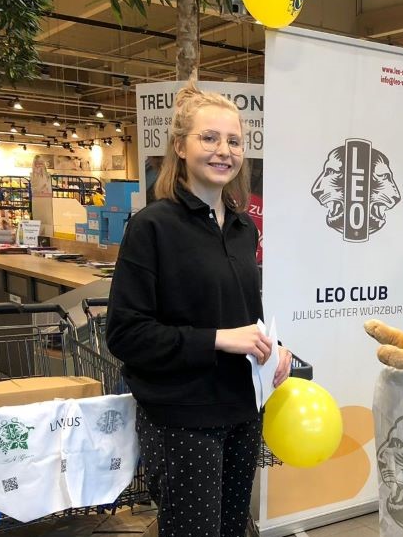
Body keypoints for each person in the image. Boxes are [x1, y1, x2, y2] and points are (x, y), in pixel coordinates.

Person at [106, 81, 293, 537]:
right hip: (183, 419)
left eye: (233, 141)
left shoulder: (244, 227)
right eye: (209, 138)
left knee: (232, 531)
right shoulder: (152, 226)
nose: (223, 151)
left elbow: (246, 314)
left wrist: (276, 347)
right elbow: (126, 333)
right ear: (179, 146)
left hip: (242, 410)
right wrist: (217, 339)